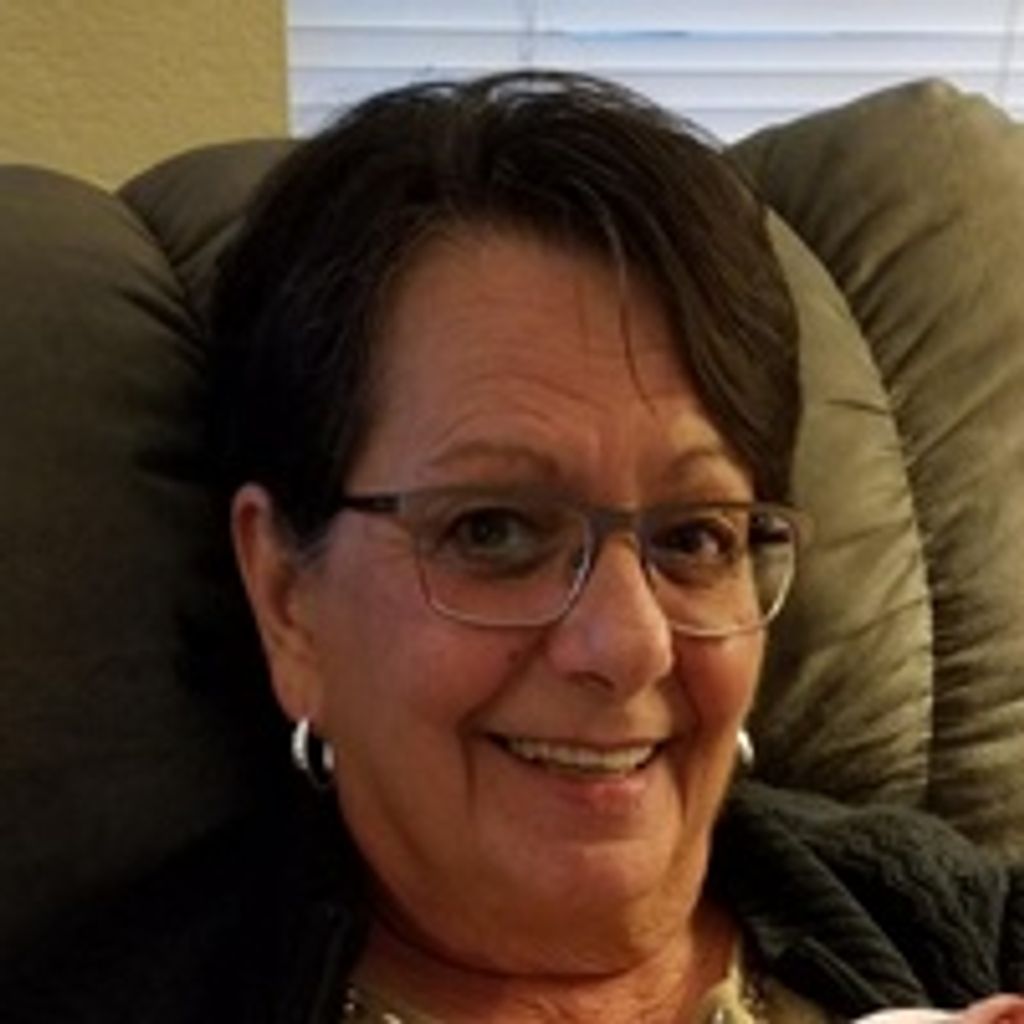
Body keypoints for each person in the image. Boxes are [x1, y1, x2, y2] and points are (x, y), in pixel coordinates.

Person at [6, 71, 1019, 1024]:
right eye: (492, 531)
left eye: (692, 536)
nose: (630, 644)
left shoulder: (949, 918)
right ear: (286, 597)